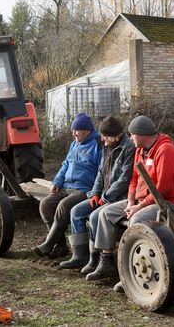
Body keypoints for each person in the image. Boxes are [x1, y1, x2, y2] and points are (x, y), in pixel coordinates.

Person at [86, 115, 174, 286]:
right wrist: (131, 202)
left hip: (164, 204)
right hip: (140, 202)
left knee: (136, 220)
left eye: (132, 135)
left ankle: (131, 272)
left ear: (142, 134)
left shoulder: (165, 150)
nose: (130, 138)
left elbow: (163, 188)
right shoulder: (140, 151)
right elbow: (133, 180)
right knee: (105, 213)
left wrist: (139, 207)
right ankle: (106, 261)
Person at [59, 115, 135, 271]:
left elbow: (124, 179)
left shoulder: (128, 149)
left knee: (94, 216)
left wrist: (105, 197)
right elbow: (100, 173)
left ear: (116, 136)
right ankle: (80, 255)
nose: (102, 139)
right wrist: (95, 193)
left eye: (105, 136)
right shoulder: (106, 146)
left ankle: (97, 259)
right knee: (76, 211)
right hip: (102, 196)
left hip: (118, 198)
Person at [33, 112, 102, 258]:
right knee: (45, 204)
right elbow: (65, 164)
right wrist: (57, 181)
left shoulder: (97, 145)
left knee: (63, 206)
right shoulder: (74, 144)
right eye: (73, 130)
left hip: (85, 190)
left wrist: (95, 190)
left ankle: (48, 243)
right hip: (66, 186)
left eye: (76, 130)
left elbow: (102, 172)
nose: (74, 134)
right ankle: (60, 246)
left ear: (86, 130)